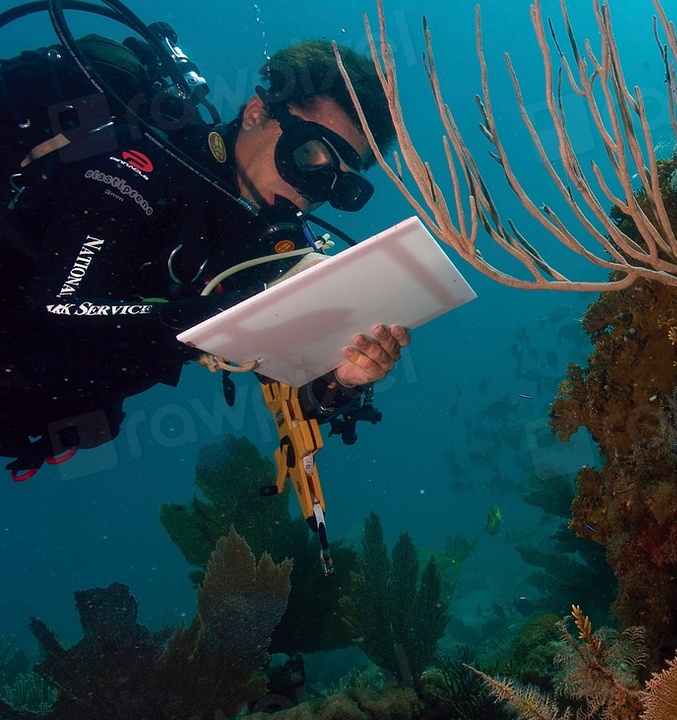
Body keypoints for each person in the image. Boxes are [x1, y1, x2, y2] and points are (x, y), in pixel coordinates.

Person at [0, 31, 409, 477]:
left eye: (339, 183)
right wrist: (230, 314)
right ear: (256, 113)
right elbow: (50, 319)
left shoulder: (273, 247)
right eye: (309, 154)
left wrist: (343, 377)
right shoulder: (141, 169)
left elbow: (299, 391)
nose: (312, 190)